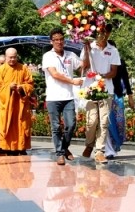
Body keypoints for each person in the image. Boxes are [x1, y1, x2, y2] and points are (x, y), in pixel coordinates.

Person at [42, 27, 89, 166]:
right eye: (56, 40)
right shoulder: (48, 56)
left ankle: (64, 147)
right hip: (53, 97)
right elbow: (55, 74)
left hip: (68, 96)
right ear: (51, 42)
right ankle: (60, 154)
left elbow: (84, 66)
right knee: (56, 127)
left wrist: (87, 49)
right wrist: (72, 81)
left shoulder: (70, 55)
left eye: (61, 39)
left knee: (71, 124)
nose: (59, 42)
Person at [80, 32, 121, 164]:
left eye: (105, 33)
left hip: (106, 89)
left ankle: (100, 151)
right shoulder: (89, 46)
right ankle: (89, 144)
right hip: (90, 89)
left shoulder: (113, 50)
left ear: (108, 34)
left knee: (103, 121)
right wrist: (87, 50)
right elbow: (84, 66)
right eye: (100, 33)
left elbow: (114, 72)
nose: (102, 36)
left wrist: (101, 76)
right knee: (92, 121)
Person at [0, 48, 34, 155]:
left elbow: (30, 84)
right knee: (6, 123)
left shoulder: (23, 69)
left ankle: (21, 147)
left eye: (14, 57)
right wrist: (8, 87)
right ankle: (5, 146)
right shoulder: (0, 70)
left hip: (20, 103)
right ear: (6, 57)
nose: (12, 59)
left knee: (21, 124)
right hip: (6, 104)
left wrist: (22, 88)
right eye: (10, 57)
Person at [106, 40, 135, 160]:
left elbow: (126, 79)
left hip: (118, 95)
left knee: (119, 122)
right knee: (108, 122)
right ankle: (109, 149)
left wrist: (130, 96)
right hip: (106, 95)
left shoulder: (120, 62)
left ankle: (116, 144)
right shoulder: (103, 63)